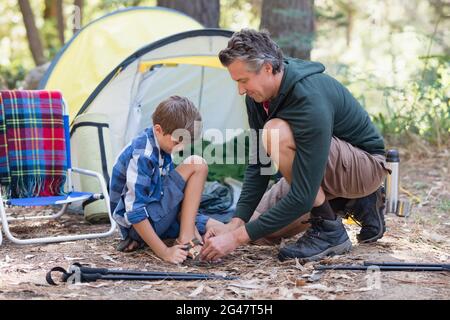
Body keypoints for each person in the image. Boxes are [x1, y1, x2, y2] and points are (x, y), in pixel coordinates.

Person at [201, 29, 389, 262]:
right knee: (261, 232)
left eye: (243, 80)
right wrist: (235, 224)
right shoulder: (257, 97)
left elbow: (303, 195)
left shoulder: (308, 97)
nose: (240, 90)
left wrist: (235, 239)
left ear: (268, 68)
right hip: (323, 167)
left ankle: (330, 229)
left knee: (275, 132)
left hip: (365, 167)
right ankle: (353, 203)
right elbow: (260, 164)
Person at [110, 95, 223, 264]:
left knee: (221, 229)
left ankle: (189, 235)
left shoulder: (163, 146)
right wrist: (164, 252)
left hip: (160, 215)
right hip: (140, 226)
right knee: (198, 164)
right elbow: (135, 212)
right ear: (158, 130)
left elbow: (172, 195)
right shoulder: (143, 156)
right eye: (178, 142)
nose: (181, 148)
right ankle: (185, 239)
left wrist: (195, 231)